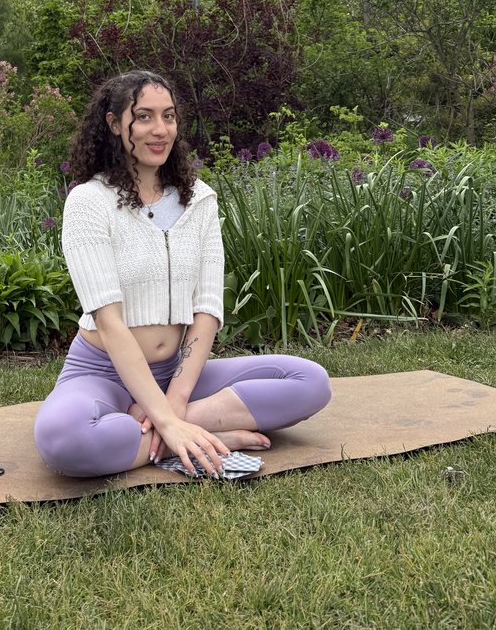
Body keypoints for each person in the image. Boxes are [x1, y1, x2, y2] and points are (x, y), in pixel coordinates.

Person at [33, 70, 331, 478]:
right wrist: (168, 423)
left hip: (177, 372)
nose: (160, 130)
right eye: (144, 117)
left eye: (169, 116)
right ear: (115, 123)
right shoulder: (89, 202)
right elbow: (108, 319)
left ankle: (172, 430)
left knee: (310, 381)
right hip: (104, 372)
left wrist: (174, 403)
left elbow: (207, 309)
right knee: (62, 439)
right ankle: (204, 436)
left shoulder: (200, 201)